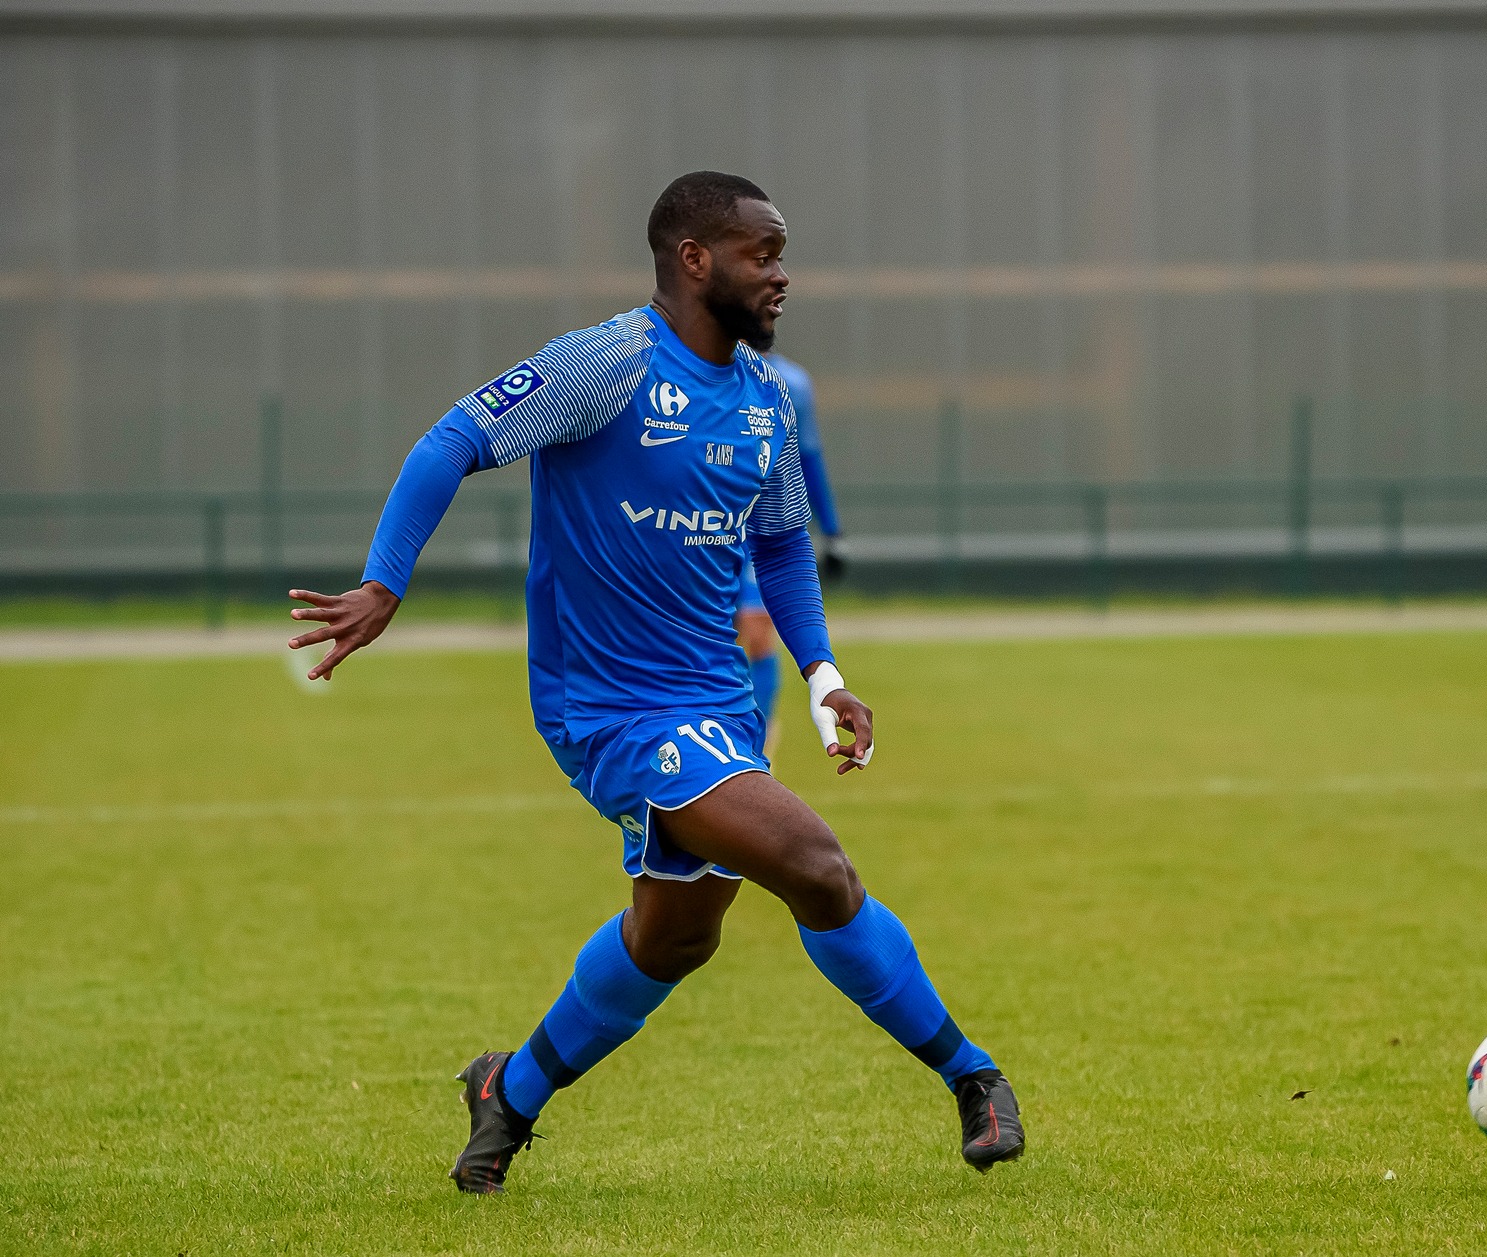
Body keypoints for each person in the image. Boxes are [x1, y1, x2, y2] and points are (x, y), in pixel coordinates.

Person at [286, 171, 1024, 1195]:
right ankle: (973, 1076)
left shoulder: (765, 397)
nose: (781, 275)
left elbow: (781, 544)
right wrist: (384, 580)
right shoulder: (607, 364)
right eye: (762, 254)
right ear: (694, 258)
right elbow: (451, 439)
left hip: (718, 706)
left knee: (675, 937)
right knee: (815, 865)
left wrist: (822, 675)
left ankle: (507, 1092)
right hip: (610, 709)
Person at [736, 353, 841, 756]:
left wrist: (832, 532)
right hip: (706, 531)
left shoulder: (788, 384)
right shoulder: (678, 368)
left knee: (757, 631)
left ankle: (757, 747)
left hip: (762, 529)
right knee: (716, 636)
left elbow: (809, 457)